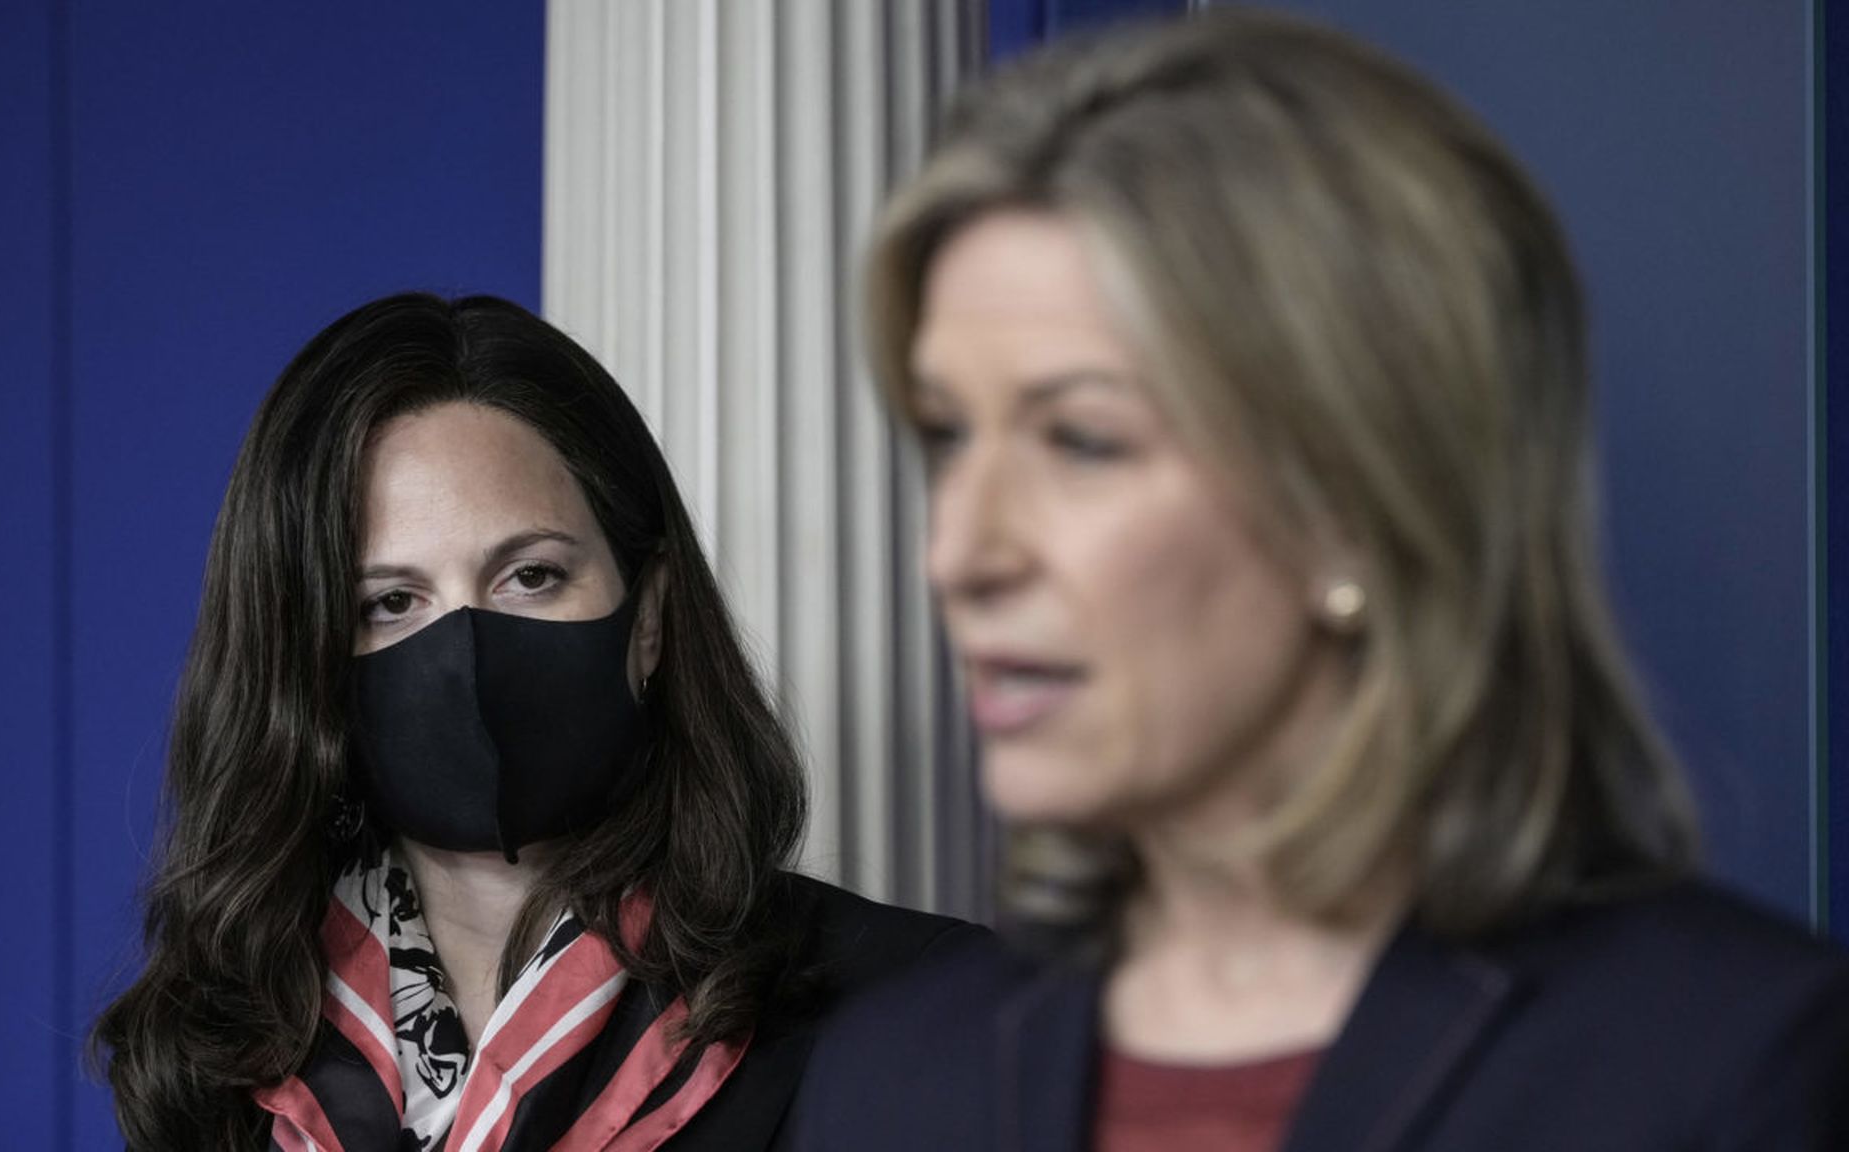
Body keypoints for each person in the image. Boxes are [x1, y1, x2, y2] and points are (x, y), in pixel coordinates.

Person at [791, 9, 1849, 1151]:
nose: (958, 554)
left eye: (1082, 441)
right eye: (948, 437)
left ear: (1357, 500)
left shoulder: (1736, 1065)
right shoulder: (889, 1075)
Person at [92, 292, 979, 1152]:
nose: (468, 653)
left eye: (532, 577)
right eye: (391, 601)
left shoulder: (922, 1010)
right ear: (304, 664)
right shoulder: (220, 1063)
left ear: (651, 617)